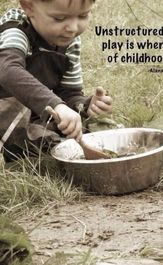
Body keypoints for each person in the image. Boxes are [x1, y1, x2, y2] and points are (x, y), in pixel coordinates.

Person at [0, 0, 112, 160]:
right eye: (59, 18)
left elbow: (69, 93)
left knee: (80, 125)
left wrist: (86, 106)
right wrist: (55, 105)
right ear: (29, 7)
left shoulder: (69, 42)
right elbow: (8, 72)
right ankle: (52, 146)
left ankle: (60, 143)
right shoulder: (15, 30)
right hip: (5, 108)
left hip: (32, 110)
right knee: (16, 120)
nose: (73, 28)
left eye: (83, 15)